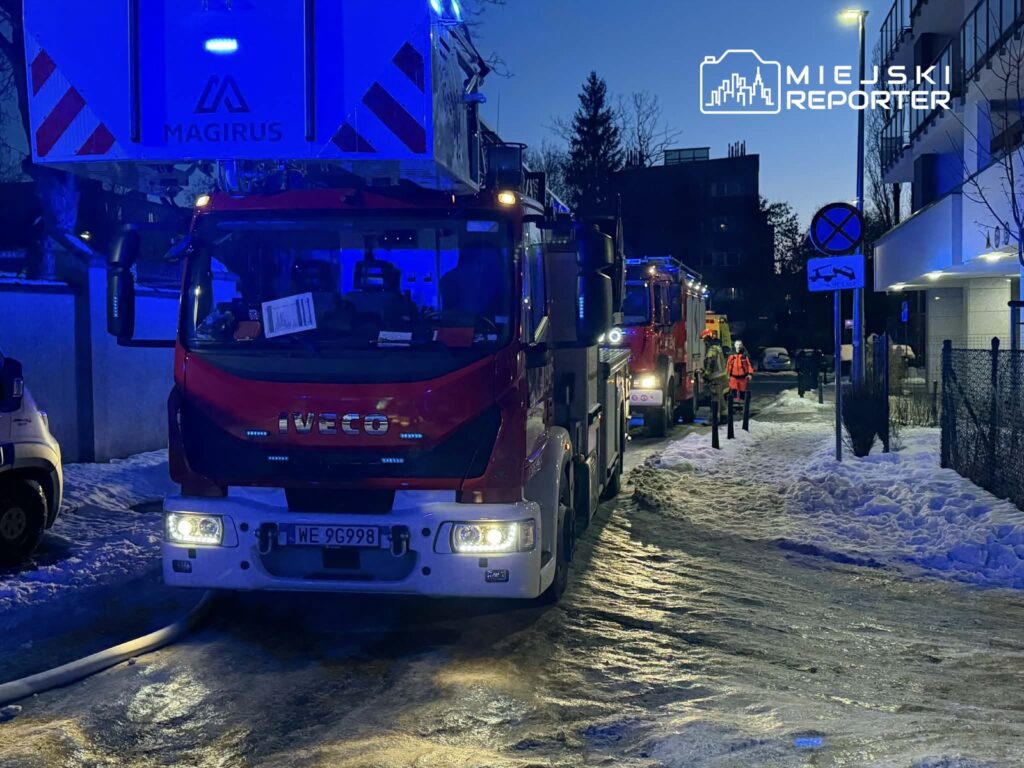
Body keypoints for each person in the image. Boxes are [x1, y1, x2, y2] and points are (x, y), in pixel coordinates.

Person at [701, 329, 729, 413]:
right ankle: (724, 414)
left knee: (715, 398)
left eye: (704, 340)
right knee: (720, 397)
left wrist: (705, 375)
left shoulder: (712, 349)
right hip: (722, 376)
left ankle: (715, 417)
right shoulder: (718, 347)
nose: (704, 342)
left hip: (716, 377)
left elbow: (711, 363)